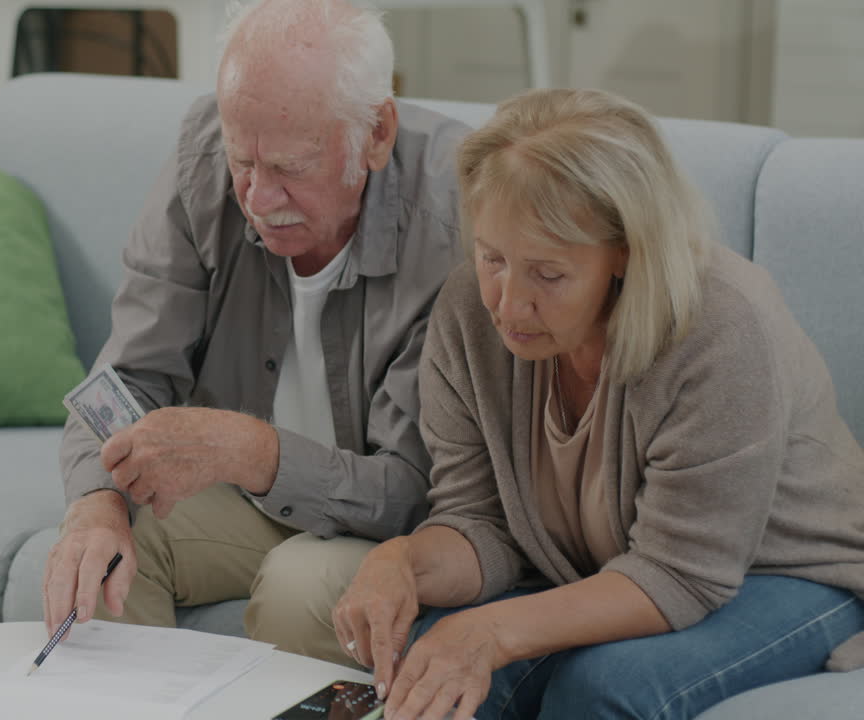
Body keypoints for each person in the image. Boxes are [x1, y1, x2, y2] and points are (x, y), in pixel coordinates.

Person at [333, 87, 864, 720]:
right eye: (492, 257)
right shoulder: (469, 314)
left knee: (604, 687)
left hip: (788, 574)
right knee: (433, 663)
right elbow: (480, 521)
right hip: (605, 570)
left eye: (548, 274)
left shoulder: (722, 326)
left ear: (625, 252)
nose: (508, 303)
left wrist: (492, 632)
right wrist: (401, 562)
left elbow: (682, 574)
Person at [43, 0, 470, 665]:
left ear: (377, 133)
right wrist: (96, 504)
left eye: (291, 169)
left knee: (299, 591)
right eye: (245, 161)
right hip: (244, 504)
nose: (258, 197)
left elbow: (413, 491)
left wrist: (253, 452)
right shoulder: (207, 155)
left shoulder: (456, 215)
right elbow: (129, 377)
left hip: (386, 528)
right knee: (94, 567)